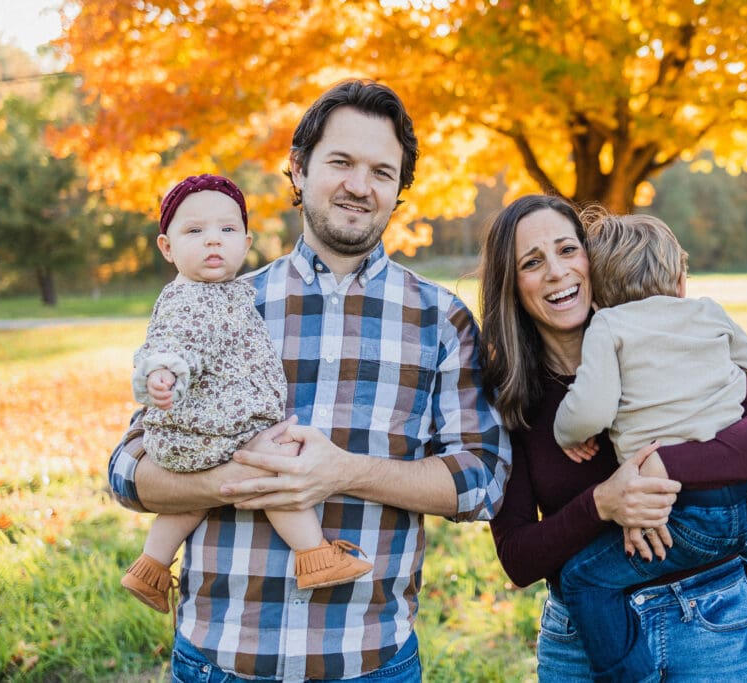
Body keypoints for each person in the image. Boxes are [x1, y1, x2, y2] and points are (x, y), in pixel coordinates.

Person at [107, 80, 511, 681]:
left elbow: (484, 479)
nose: (358, 185)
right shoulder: (223, 299)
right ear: (298, 168)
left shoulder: (440, 318)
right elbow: (128, 472)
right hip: (220, 658)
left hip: (368, 659)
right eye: (341, 162)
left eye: (381, 171)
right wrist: (235, 479)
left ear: (400, 189)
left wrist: (344, 472)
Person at [479, 195, 747, 682]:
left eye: (568, 250)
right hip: (584, 640)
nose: (555, 271)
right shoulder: (511, 395)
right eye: (532, 262)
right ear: (513, 285)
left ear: (593, 259)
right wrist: (603, 504)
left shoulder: (666, 344)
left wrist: (661, 466)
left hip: (712, 622)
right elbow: (519, 558)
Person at [120, 173, 371, 616]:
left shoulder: (225, 292)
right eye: (195, 232)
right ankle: (313, 555)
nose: (212, 241)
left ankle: (150, 567)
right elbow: (174, 342)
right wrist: (163, 373)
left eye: (227, 230)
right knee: (277, 463)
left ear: (246, 241)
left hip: (194, 434)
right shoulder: (191, 299)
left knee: (192, 502)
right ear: (167, 247)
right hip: (208, 429)